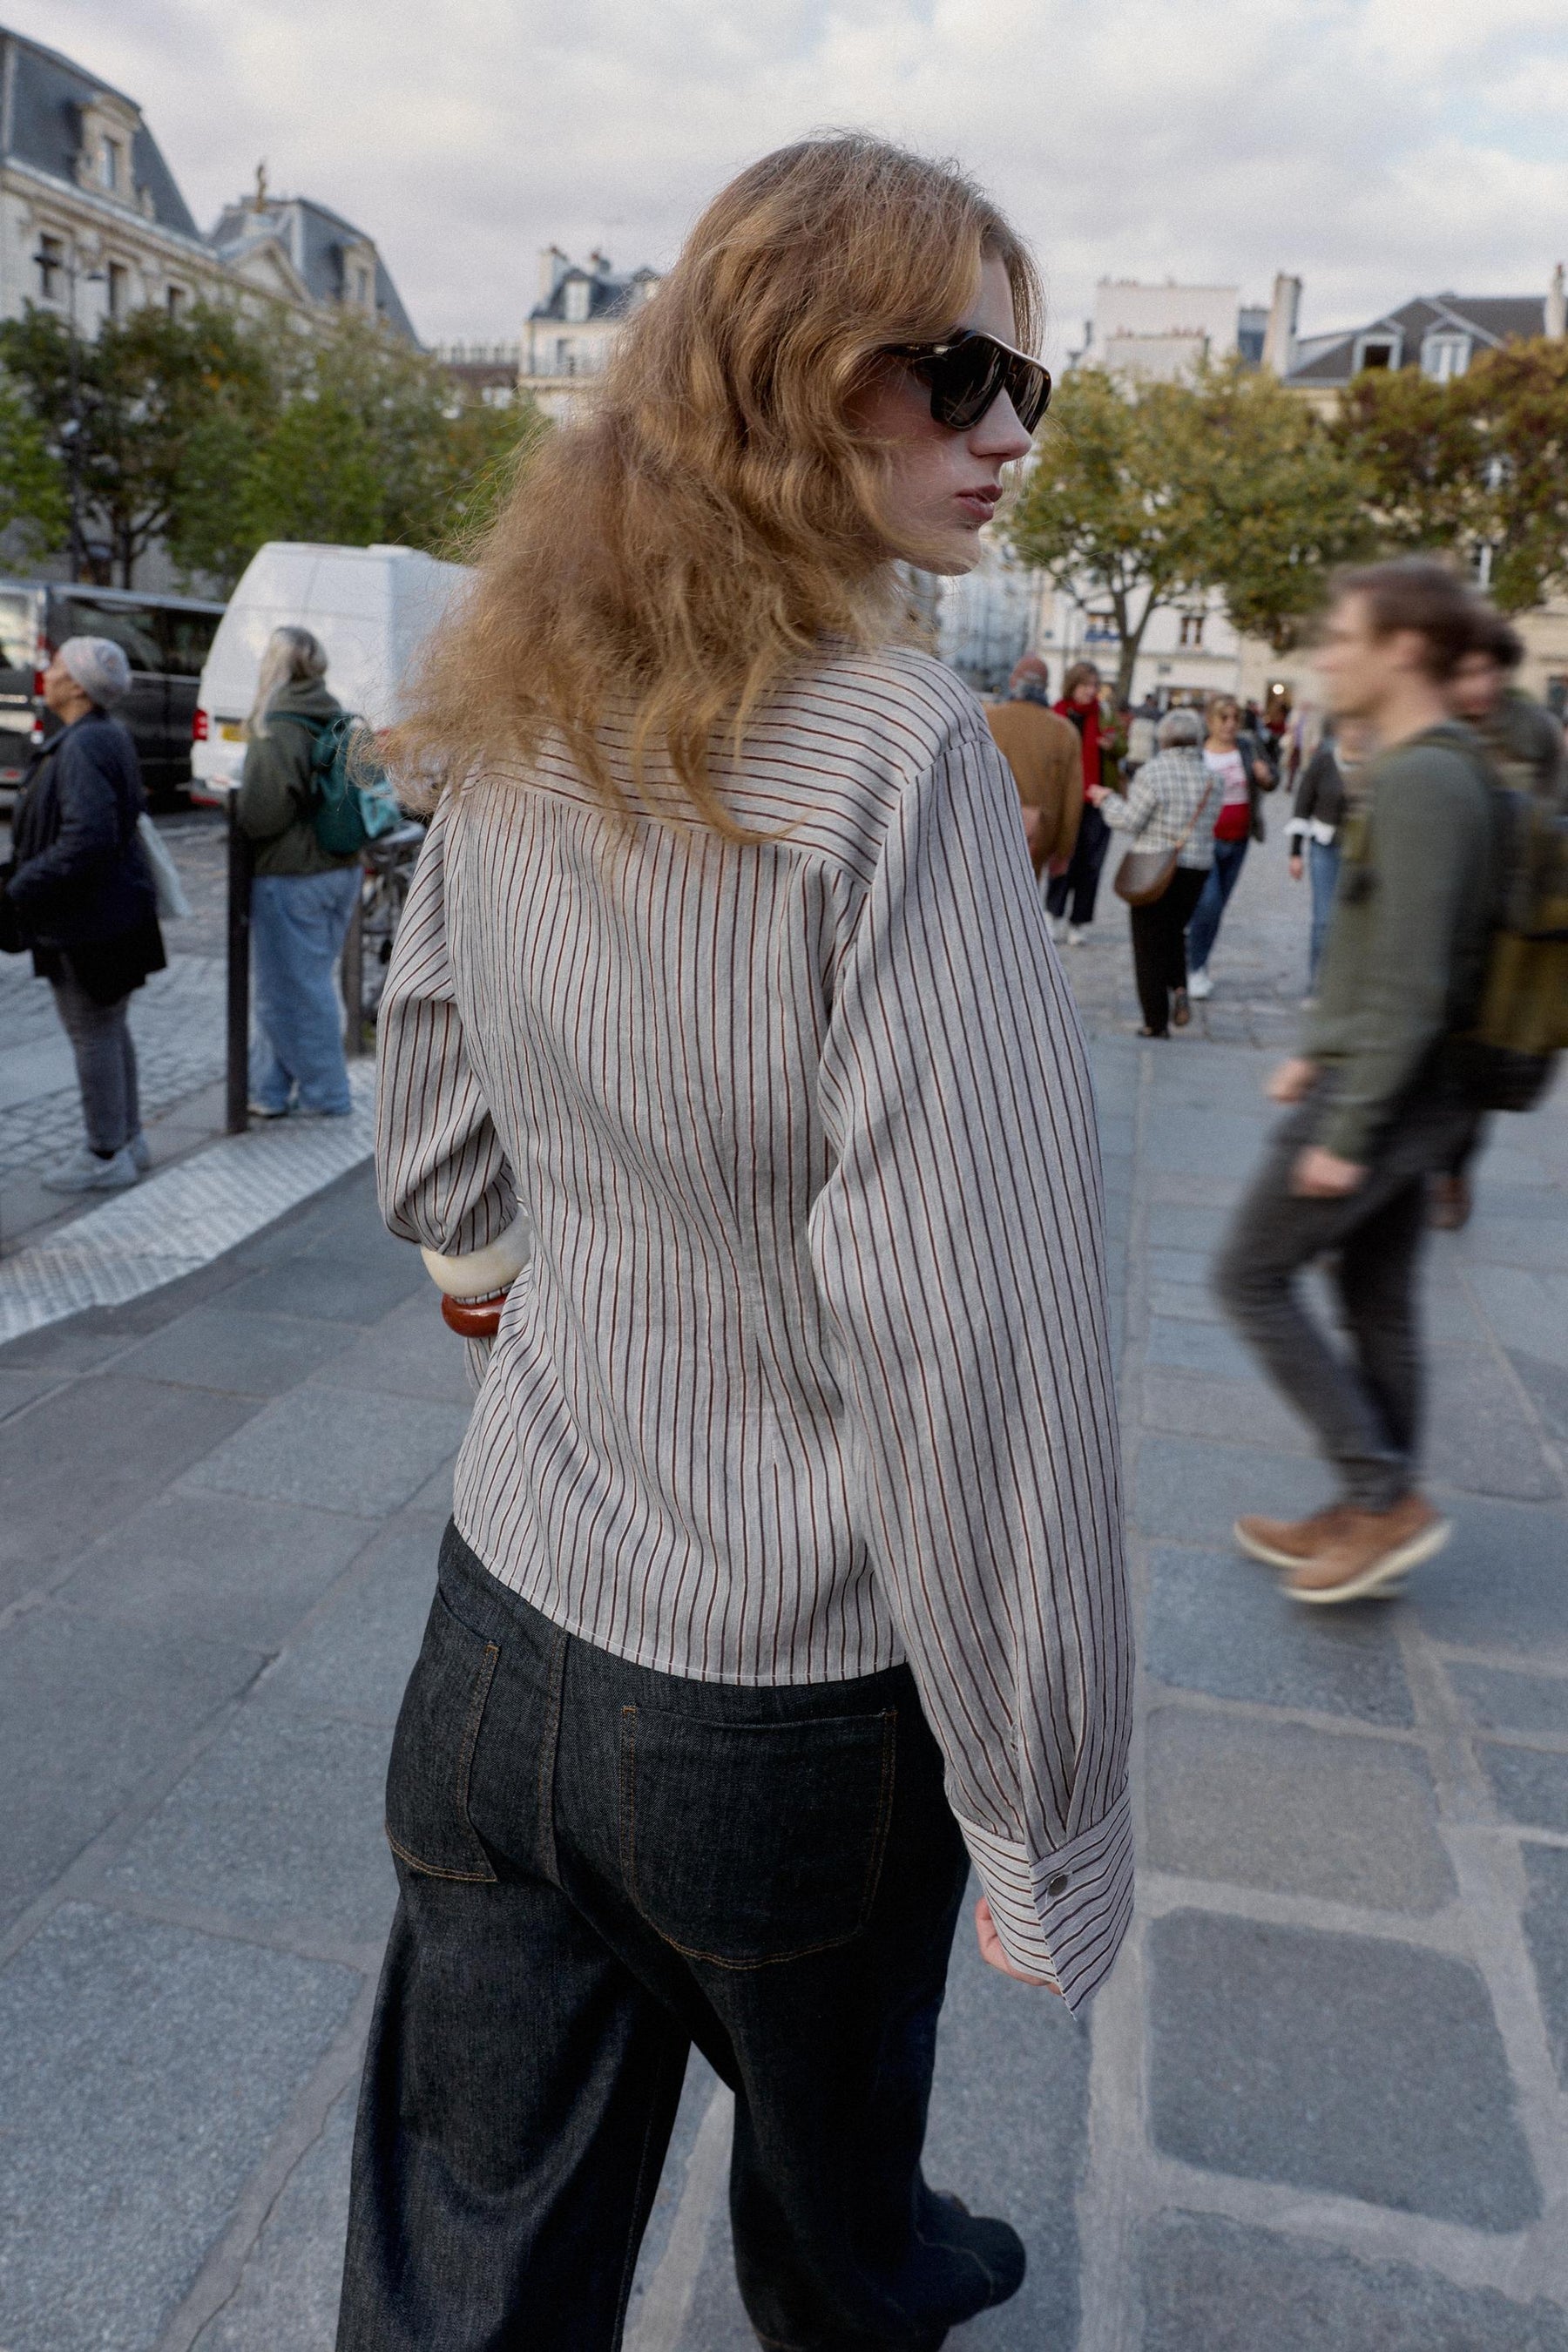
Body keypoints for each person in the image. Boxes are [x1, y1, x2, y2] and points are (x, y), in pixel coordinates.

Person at [341, 135, 1132, 2352]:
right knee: (825, 2163)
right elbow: (975, 1336)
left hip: (498, 1630)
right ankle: (871, 2271)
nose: (1002, 426)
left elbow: (424, 1058)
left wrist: (491, 1267)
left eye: (1029, 383)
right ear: (787, 374)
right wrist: (1039, 1798)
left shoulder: (529, 677)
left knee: (468, 2242)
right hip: (784, 1690)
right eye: (951, 364)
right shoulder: (898, 750)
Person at [1214, 558, 1497, 1605]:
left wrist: (1349, 1118)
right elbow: (1391, 943)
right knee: (1375, 1297)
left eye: (1346, 637)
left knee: (1247, 1277)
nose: (1325, 655)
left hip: (1390, 1094)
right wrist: (1318, 1041)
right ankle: (1372, 1504)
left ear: (1405, 652)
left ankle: (1379, 1494)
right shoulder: (1437, 761)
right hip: (1411, 1086)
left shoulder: (1427, 774)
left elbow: (1417, 977)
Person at [0, 637, 164, 1192]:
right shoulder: (103, 736)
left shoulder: (84, 745)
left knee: (93, 1033)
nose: (43, 673)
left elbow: (87, 837)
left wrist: (21, 886)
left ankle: (104, 1152)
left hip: (88, 921)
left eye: (54, 665)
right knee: (109, 1029)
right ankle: (128, 1140)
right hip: (110, 916)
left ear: (75, 685)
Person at [1429, 608, 1566, 1230]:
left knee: (1473, 1066)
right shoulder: (1438, 726)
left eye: (1489, 671)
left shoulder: (1534, 730)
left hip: (1505, 927)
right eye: (1468, 671)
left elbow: (1556, 818)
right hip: (1439, 910)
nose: (1479, 685)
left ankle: (1453, 1172)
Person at [235, 626, 361, 1119]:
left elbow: (261, 813)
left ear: (275, 665)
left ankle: (328, 1093)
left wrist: (242, 802)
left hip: (292, 875)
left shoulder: (280, 722)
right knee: (298, 983)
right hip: (341, 869)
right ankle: (267, 1091)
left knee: (291, 991)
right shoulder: (333, 713)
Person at [1091, 706, 1216, 1037]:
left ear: (1164, 739)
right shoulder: (1211, 778)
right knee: (1175, 931)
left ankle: (1155, 1022)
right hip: (1196, 867)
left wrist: (1106, 800)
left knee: (1147, 943)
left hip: (1154, 866)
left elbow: (1130, 820)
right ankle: (1178, 987)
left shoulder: (1153, 772)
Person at [1185, 693, 1276, 999]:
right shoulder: (1199, 753)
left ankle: (1198, 961)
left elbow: (1272, 777)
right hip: (1204, 840)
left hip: (1238, 840)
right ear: (1210, 721)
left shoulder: (1247, 748)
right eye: (1223, 718)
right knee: (1207, 904)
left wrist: (1265, 777)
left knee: (1216, 908)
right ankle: (1194, 967)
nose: (1230, 724)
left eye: (1235, 718)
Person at [1286, 718, 1369, 997]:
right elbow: (1302, 805)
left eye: (1360, 726)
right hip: (1325, 849)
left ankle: (1345, 986)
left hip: (1362, 852)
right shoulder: (1323, 762)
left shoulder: (1376, 764)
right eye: (1350, 726)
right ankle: (1317, 986)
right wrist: (1295, 852)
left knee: (1353, 920)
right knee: (1324, 919)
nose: (1354, 731)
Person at [983, 652, 1083, 879]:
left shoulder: (985, 719)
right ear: (1046, 687)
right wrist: (1064, 851)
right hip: (1035, 839)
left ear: (1012, 681)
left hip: (983, 831)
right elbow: (1072, 800)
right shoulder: (1064, 732)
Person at [1045, 659, 1111, 943]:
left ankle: (1078, 922)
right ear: (1073, 685)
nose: (1090, 691)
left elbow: (1123, 746)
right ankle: (1052, 913)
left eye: (1094, 686)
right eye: (1085, 685)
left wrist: (1113, 746)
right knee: (1063, 857)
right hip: (1065, 798)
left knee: (1091, 864)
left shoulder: (1104, 713)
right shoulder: (1058, 714)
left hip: (1097, 798)